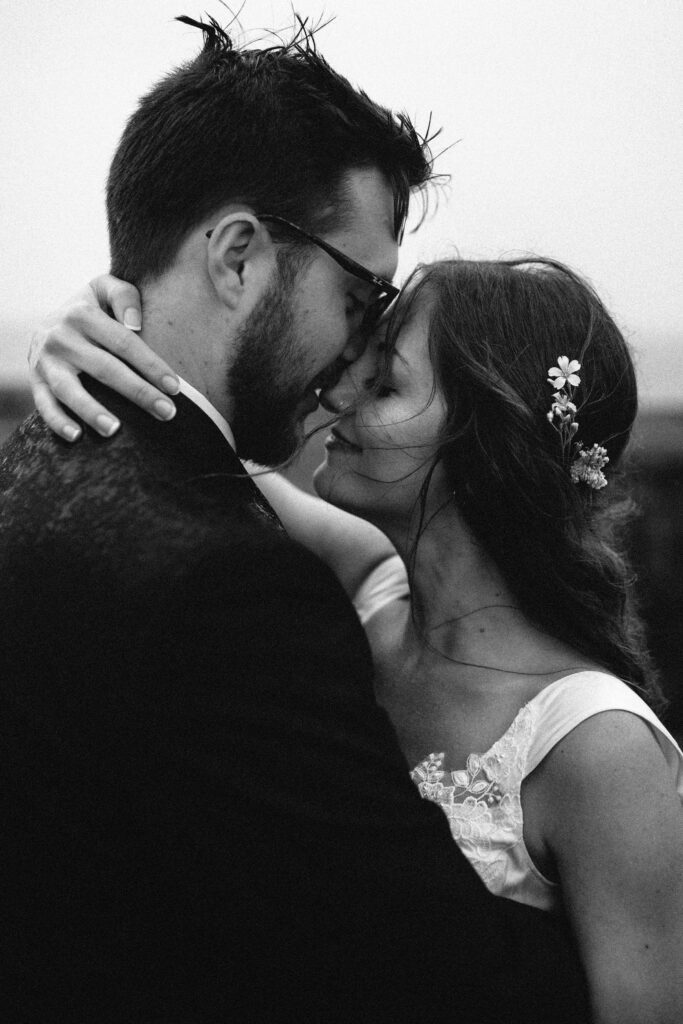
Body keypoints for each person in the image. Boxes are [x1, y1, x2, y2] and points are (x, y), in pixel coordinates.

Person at [0, 16, 590, 1024]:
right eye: (360, 296)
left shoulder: (38, 458)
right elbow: (431, 977)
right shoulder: (232, 587)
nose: (358, 353)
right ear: (237, 256)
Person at [33, 255, 683, 1024]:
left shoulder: (596, 747)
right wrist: (91, 334)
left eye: (382, 385)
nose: (336, 396)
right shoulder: (371, 591)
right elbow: (190, 449)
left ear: (488, 445)